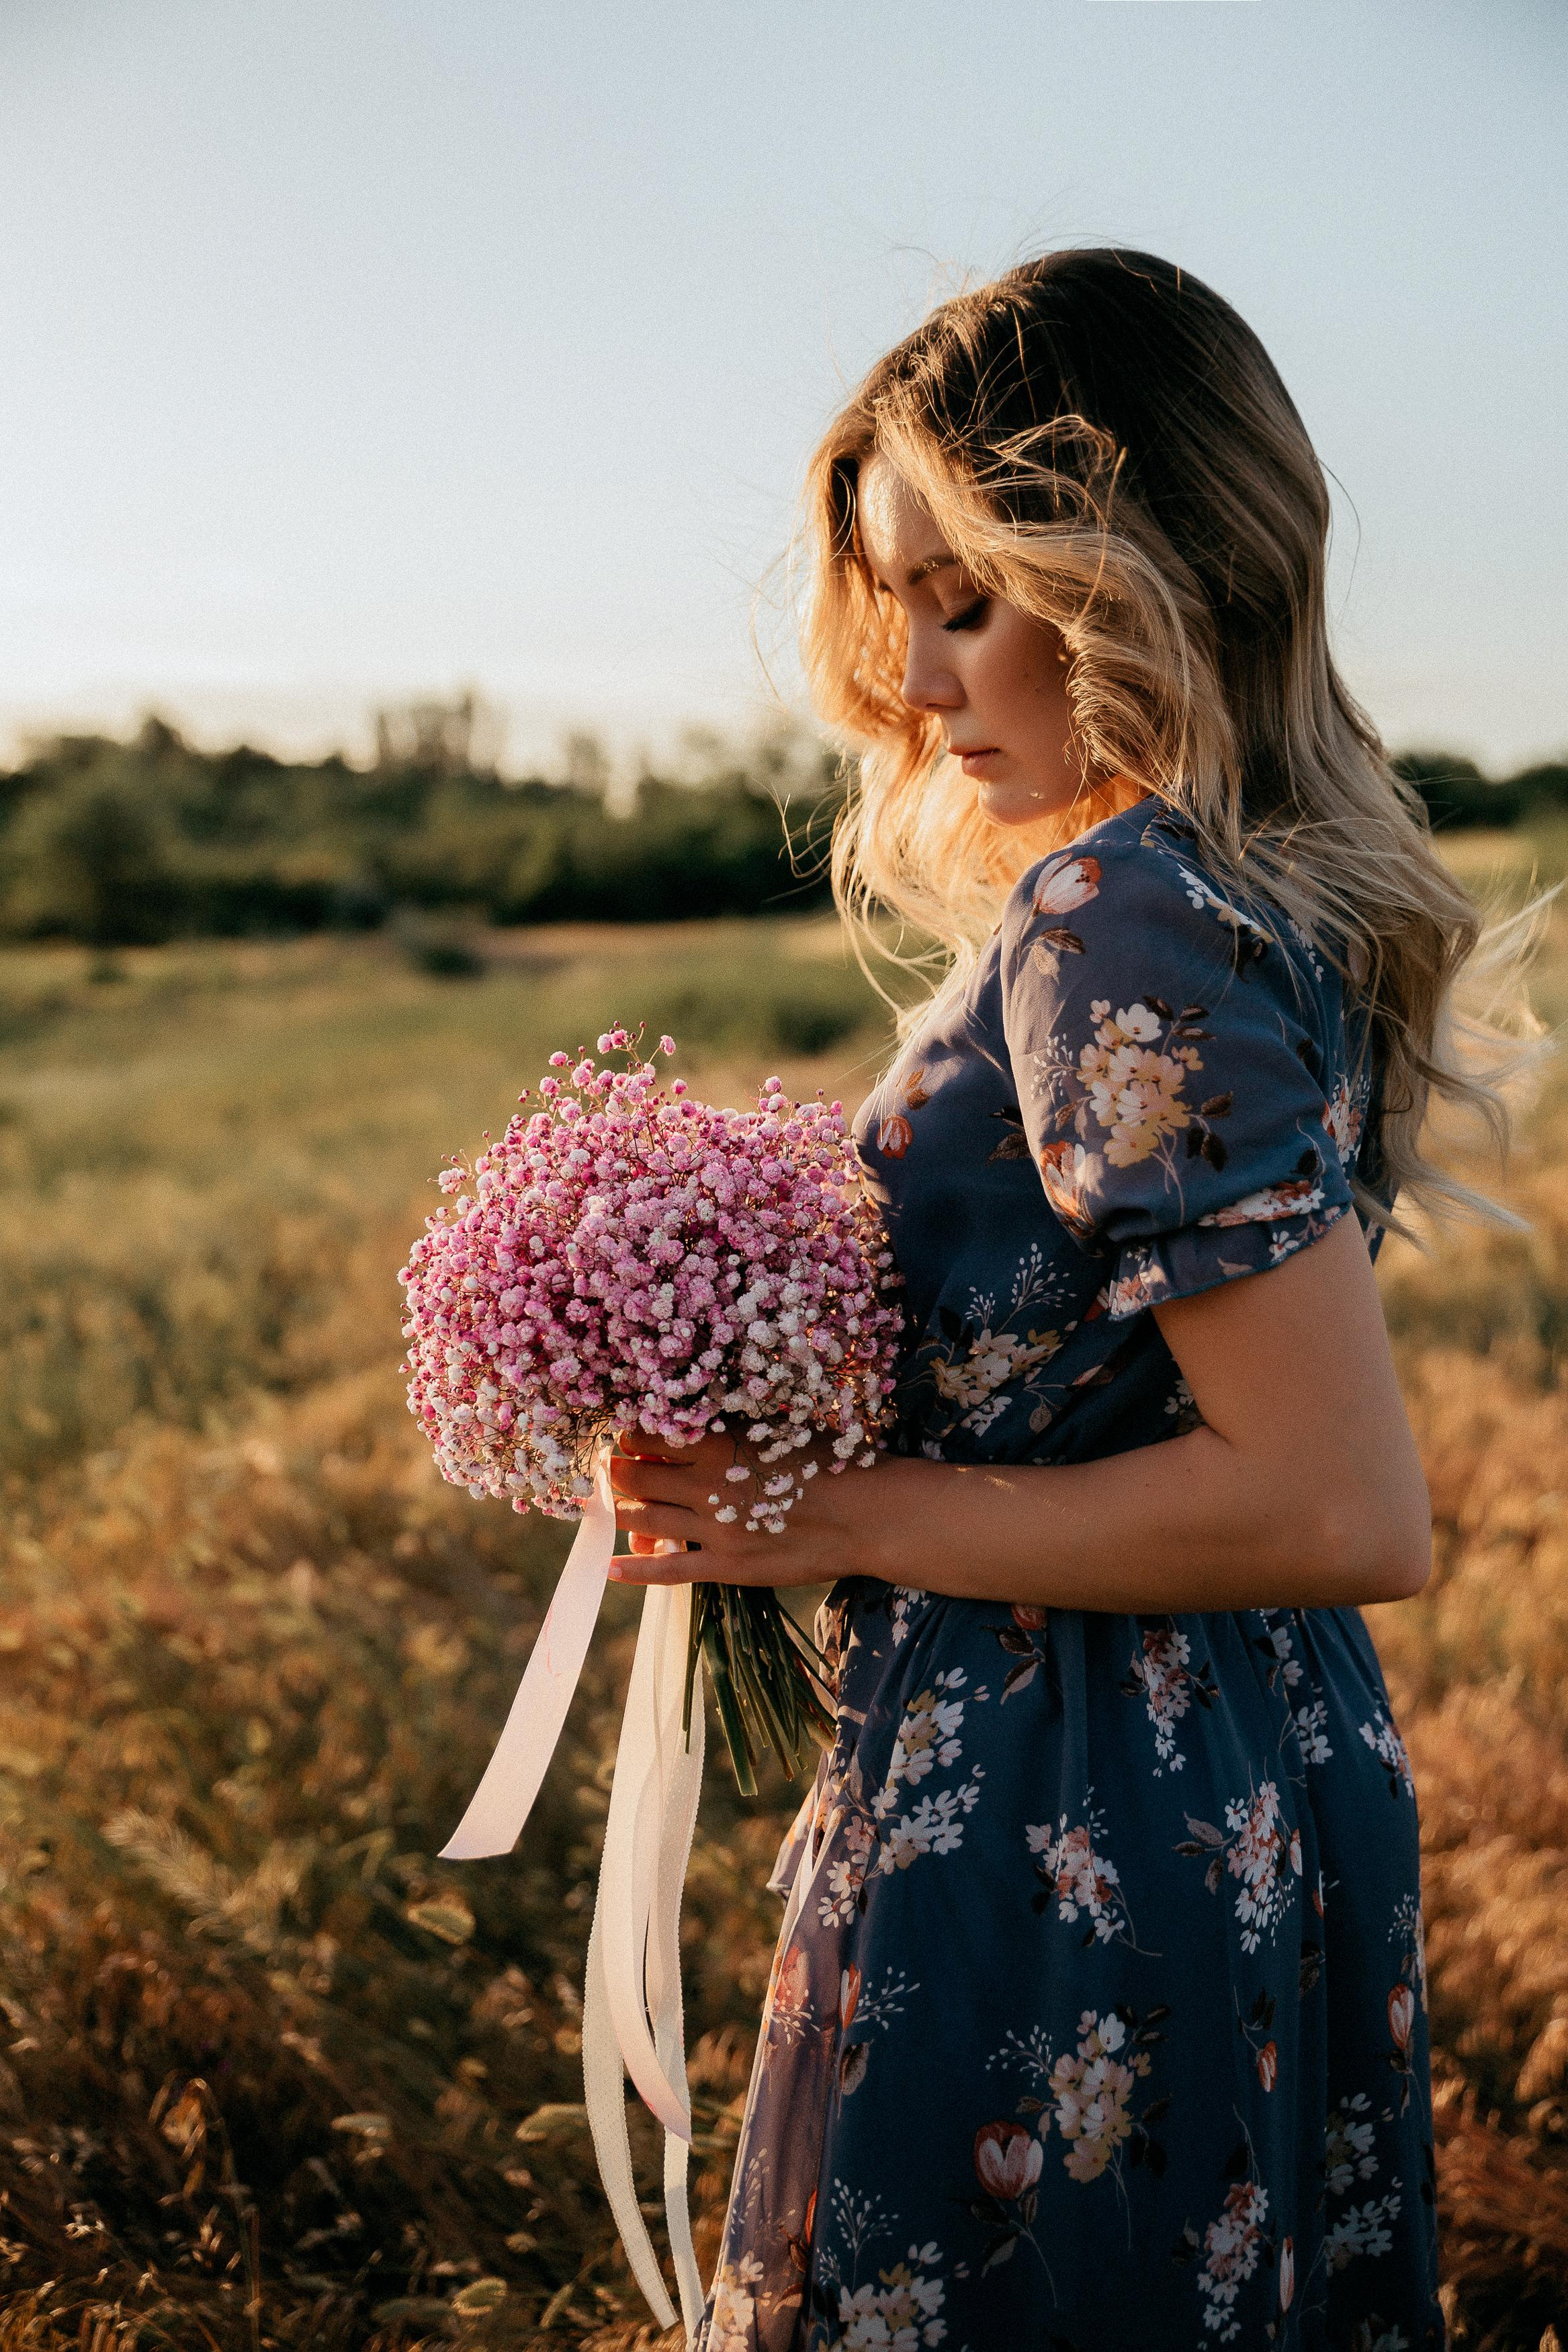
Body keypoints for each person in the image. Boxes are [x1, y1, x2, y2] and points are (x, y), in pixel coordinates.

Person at [607, 249, 1518, 2349]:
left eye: (965, 597)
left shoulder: (1117, 917)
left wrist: (829, 1513)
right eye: (894, 603)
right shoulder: (1237, 882)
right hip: (1235, 1764)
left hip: (1074, 1798)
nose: (917, 681)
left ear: (1151, 561)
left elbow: (1336, 1507)